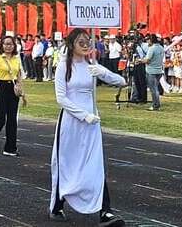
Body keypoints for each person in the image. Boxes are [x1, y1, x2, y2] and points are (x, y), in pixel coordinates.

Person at [49, 28, 126, 226]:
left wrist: (102, 72)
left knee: (95, 165)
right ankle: (57, 204)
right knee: (67, 163)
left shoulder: (92, 65)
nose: (85, 45)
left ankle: (105, 212)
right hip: (72, 123)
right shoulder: (63, 67)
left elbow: (121, 81)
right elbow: (61, 98)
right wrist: (84, 116)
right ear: (71, 44)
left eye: (87, 42)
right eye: (80, 42)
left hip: (92, 125)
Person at [139, 35, 164, 111]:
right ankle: (157, 104)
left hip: (151, 71)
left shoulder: (152, 48)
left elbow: (147, 60)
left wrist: (140, 60)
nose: (147, 41)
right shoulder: (161, 47)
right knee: (155, 88)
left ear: (151, 40)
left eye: (148, 40)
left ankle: (155, 105)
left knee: (153, 89)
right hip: (159, 70)